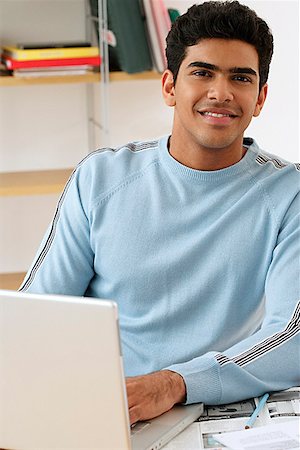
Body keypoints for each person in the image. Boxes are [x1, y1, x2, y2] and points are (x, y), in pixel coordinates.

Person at [20, 0, 299, 426]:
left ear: (259, 98)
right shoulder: (100, 177)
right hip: (114, 409)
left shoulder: (289, 192)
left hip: (225, 416)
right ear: (170, 86)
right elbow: (36, 316)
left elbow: (292, 338)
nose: (220, 93)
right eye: (202, 72)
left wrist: (173, 383)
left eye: (240, 78)